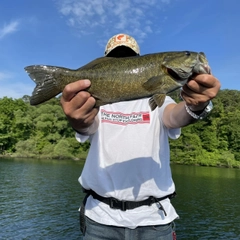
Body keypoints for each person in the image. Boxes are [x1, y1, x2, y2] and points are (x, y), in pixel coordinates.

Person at [60, 33, 221, 239]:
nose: (123, 64)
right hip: (98, 217)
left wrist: (198, 105)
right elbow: (86, 125)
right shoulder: (94, 102)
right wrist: (77, 120)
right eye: (116, 60)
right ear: (104, 64)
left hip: (155, 220)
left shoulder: (160, 99)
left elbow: (175, 117)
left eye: (129, 58)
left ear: (139, 60)